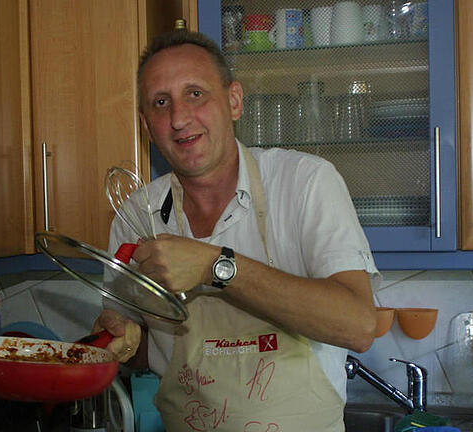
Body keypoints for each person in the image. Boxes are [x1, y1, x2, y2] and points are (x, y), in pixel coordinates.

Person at [93, 30, 379, 432]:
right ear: (146, 125)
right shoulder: (136, 217)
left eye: (195, 94)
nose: (178, 118)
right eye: (161, 103)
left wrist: (218, 266)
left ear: (234, 101)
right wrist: (121, 338)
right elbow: (143, 350)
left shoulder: (305, 183)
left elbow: (360, 326)